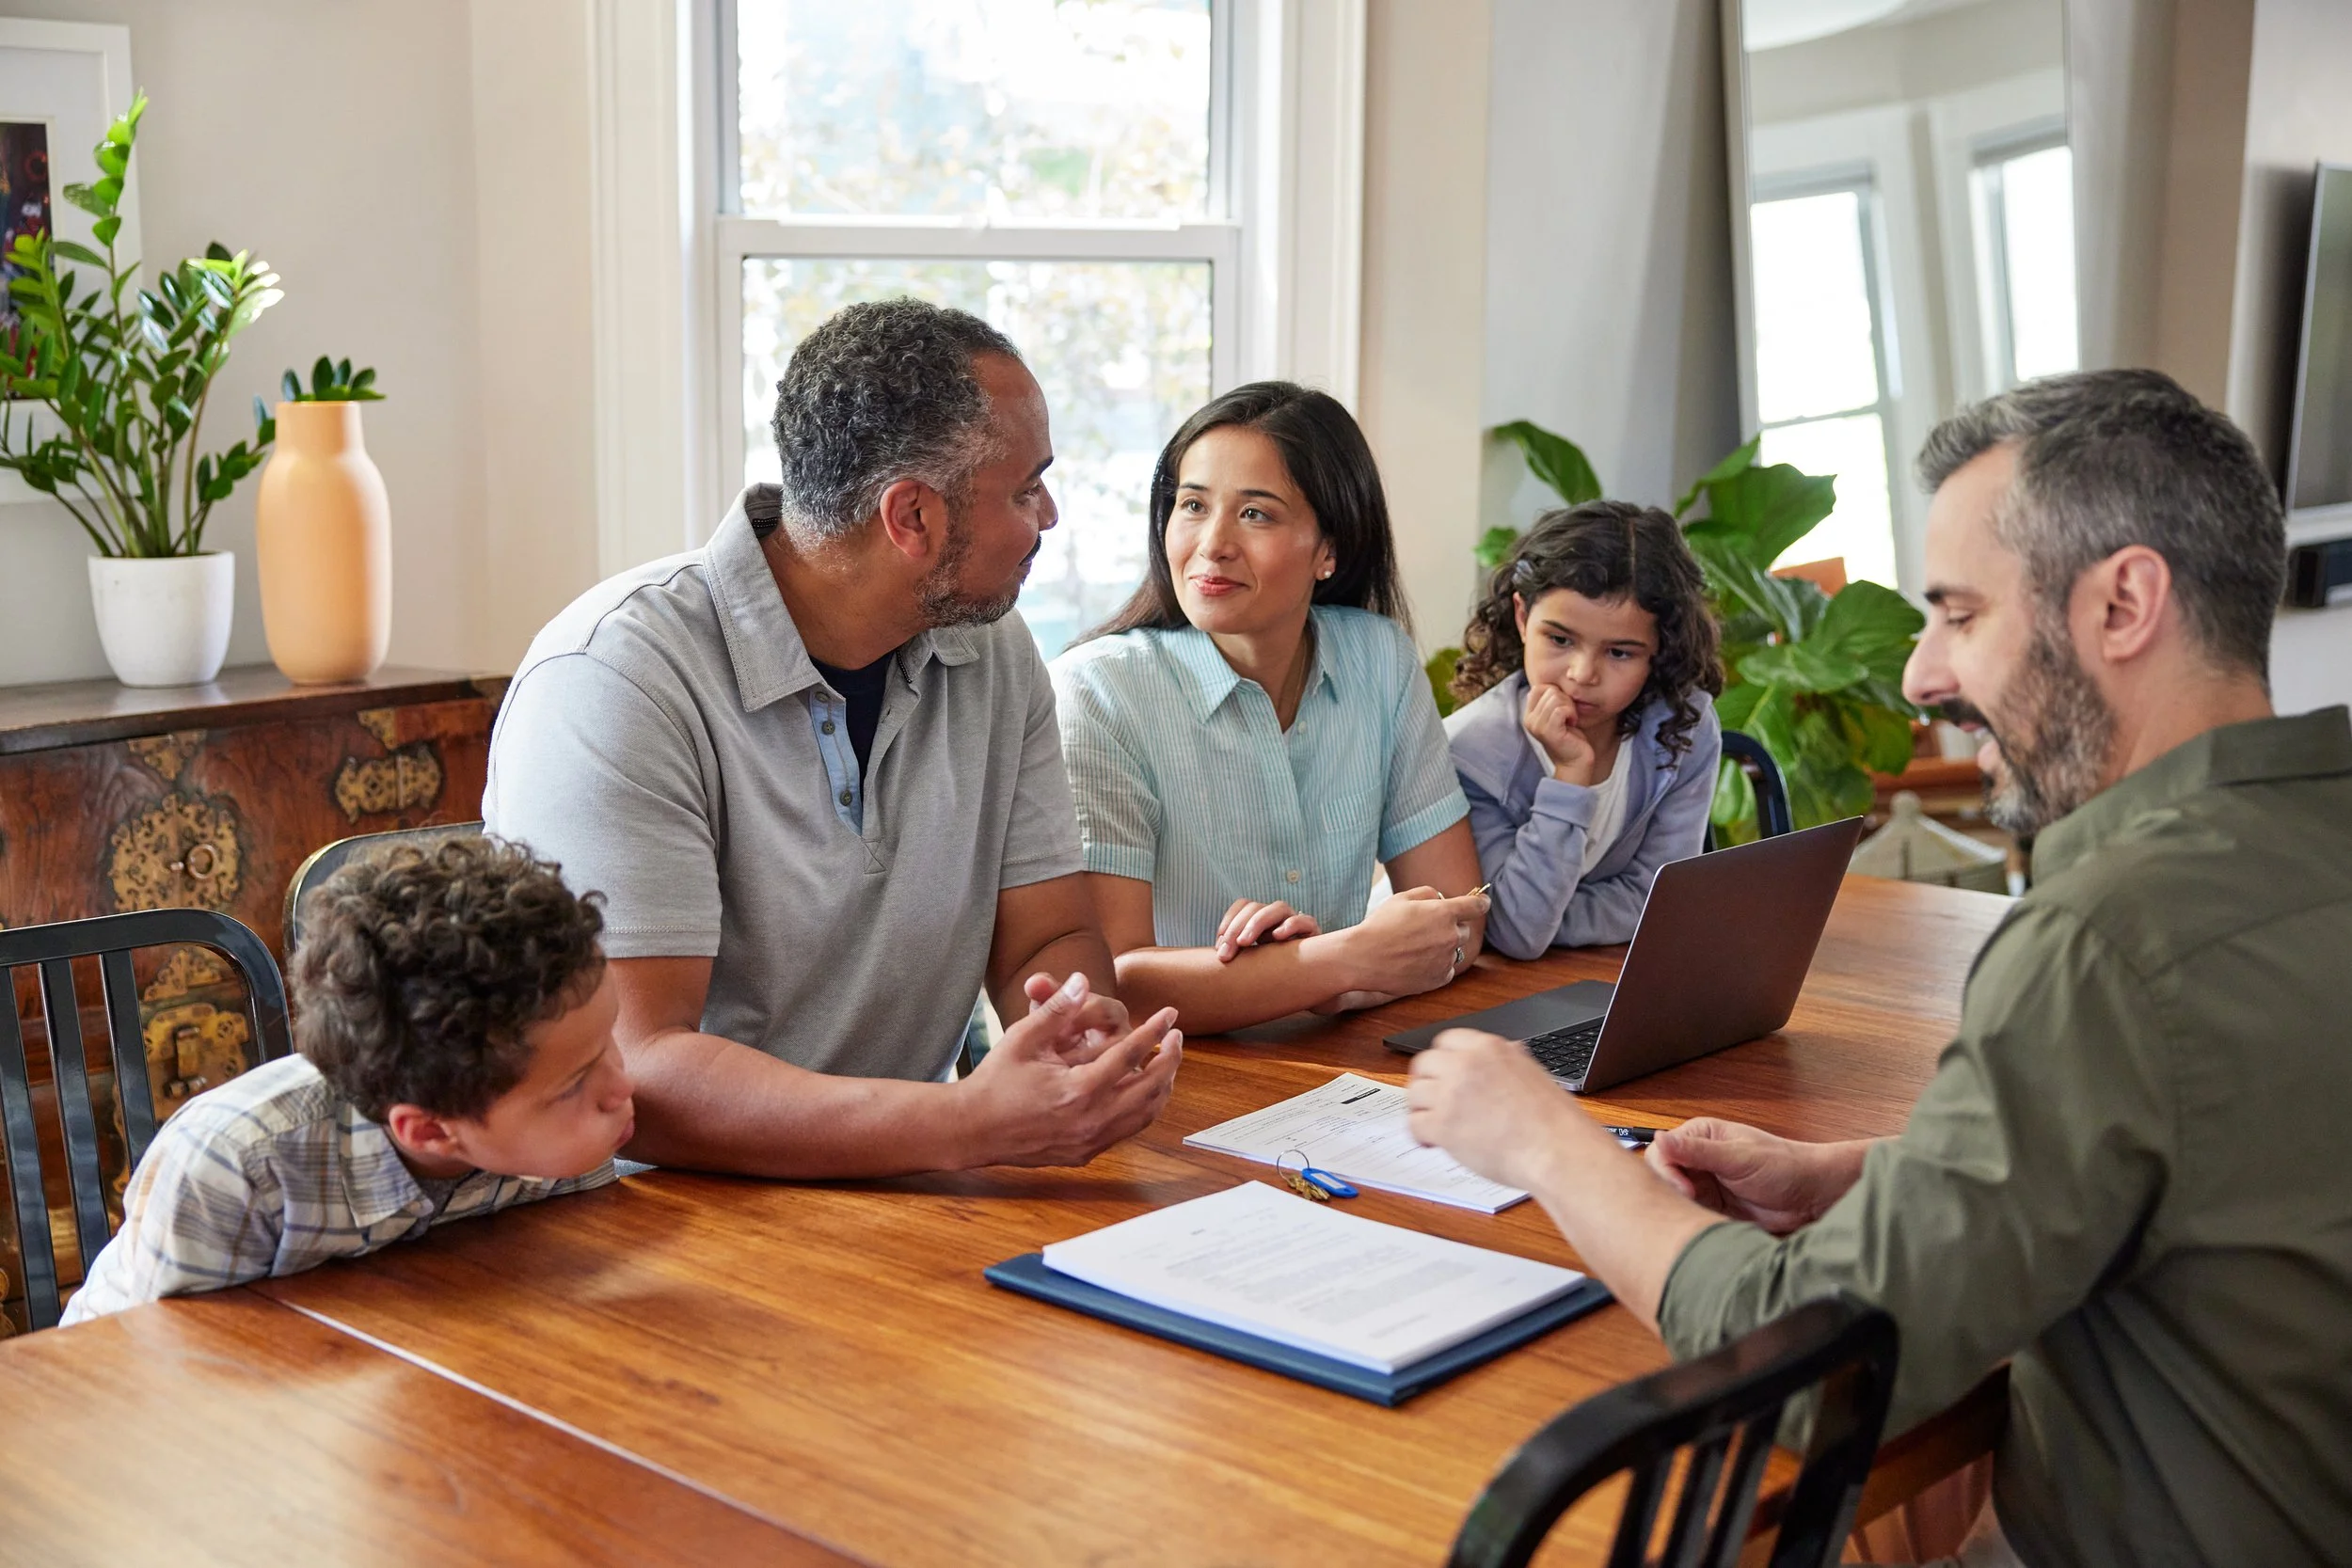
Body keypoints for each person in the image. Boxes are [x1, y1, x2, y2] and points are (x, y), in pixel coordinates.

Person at [1406, 369, 2352, 1568]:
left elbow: (1810, 1363)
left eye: (1959, 613)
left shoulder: (2100, 945)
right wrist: (1880, 1175)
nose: (1919, 675)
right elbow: (2237, 1145)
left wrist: (1545, 1141)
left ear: (2124, 605)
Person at [484, 299, 1182, 1180]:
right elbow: (636, 1069)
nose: (1048, 515)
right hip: (656, 1214)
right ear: (912, 518)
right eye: (1025, 487)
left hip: (914, 1178)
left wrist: (1074, 1031)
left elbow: (1046, 938)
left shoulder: (994, 648)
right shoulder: (613, 679)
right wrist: (965, 1121)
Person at [1049, 382, 1489, 1036]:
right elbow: (1113, 984)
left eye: (1256, 514)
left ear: (1329, 550)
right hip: (1170, 1080)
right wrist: (1342, 960)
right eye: (1193, 505)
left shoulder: (1378, 658)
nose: (1213, 543)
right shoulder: (1099, 692)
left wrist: (1330, 977)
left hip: (1335, 1063)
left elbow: (1460, 918)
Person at [62, 837, 635, 1323]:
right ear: (431, 1132)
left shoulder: (548, 1114)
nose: (622, 1088)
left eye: (608, 1040)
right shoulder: (240, 1167)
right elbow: (184, 1362)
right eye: (575, 1082)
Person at [1444, 500, 1723, 957]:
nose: (1582, 674)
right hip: (1456, 988)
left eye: (1620, 653)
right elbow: (1516, 933)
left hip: (1585, 976)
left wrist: (1547, 917)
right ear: (1521, 616)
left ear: (1660, 649)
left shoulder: (1682, 727)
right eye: (1559, 639)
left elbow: (1659, 900)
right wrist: (1571, 776)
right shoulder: (1469, 754)